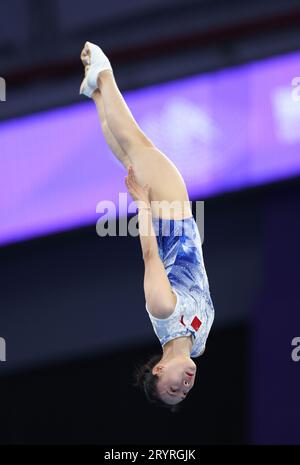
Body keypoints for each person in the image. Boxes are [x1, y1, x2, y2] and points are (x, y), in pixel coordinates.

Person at [80, 42, 215, 411]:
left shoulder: (163, 310)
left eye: (172, 389)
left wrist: (142, 203)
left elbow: (150, 253)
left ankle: (104, 72)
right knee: (129, 152)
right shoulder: (199, 343)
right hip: (178, 215)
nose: (184, 388)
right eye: (184, 395)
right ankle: (95, 91)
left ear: (158, 369)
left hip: (168, 215)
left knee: (136, 146)